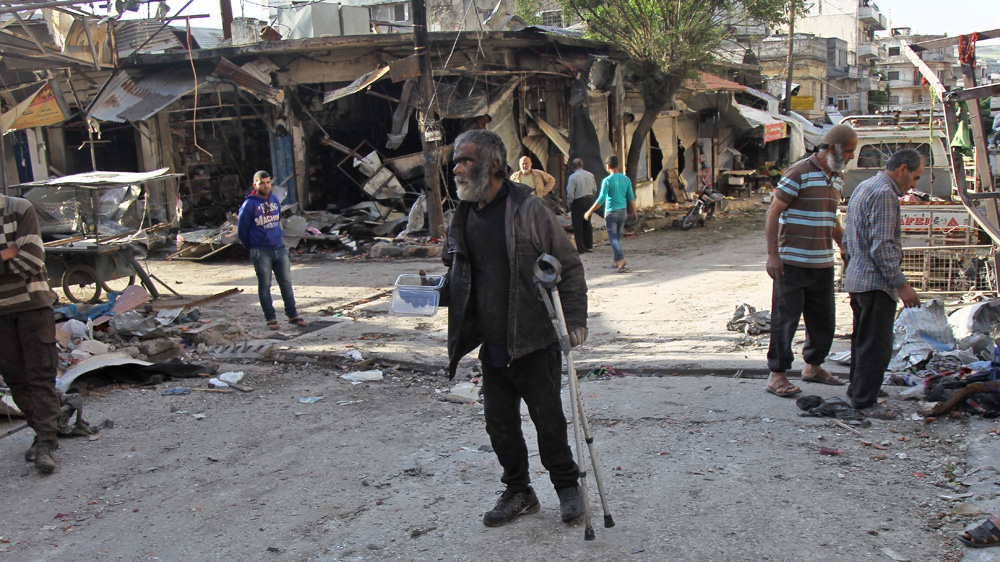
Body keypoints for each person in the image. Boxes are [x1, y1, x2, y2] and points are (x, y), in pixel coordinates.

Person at [442, 129, 588, 528]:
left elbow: (568, 265)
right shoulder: (463, 214)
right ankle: (520, 492)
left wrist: (575, 320)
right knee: (500, 426)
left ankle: (567, 487)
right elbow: (456, 269)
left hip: (533, 338)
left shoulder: (528, 209)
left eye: (466, 160)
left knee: (548, 421)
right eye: (456, 161)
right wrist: (434, 291)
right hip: (492, 342)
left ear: (492, 165)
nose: (457, 168)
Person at [764, 124, 858, 397]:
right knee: (786, 320)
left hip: (822, 263)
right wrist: (773, 255)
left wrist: (844, 245)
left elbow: (830, 217)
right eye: (849, 151)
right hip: (793, 262)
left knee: (823, 321)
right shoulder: (799, 172)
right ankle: (777, 375)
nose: (851, 156)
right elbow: (773, 213)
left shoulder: (836, 178)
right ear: (833, 148)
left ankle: (813, 367)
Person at [843, 149, 923, 419]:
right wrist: (902, 284)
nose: (913, 185)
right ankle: (864, 400)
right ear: (902, 169)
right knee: (876, 345)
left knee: (863, 340)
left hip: (859, 278)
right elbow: (882, 247)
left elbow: (849, 238)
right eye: (915, 177)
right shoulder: (885, 193)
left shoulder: (866, 185)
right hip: (876, 283)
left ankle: (859, 390)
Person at [0, 192, 62, 473]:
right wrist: (7, 254)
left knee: (40, 375)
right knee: (15, 378)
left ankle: (47, 442)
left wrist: (15, 256)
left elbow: (31, 261)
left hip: (32, 306)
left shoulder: (18, 209)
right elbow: (18, 259)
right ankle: (40, 432)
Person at [237, 171, 307, 330]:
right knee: (265, 286)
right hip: (261, 251)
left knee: (286, 283)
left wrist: (279, 238)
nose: (266, 186)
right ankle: (271, 319)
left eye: (268, 182)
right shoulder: (249, 205)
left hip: (279, 248)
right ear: (255, 185)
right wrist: (253, 247)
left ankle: (293, 315)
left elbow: (278, 220)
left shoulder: (274, 199)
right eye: (262, 183)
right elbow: (242, 231)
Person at [584, 155, 637, 272]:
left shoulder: (607, 181)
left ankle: (621, 259)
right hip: (622, 211)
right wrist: (635, 211)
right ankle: (616, 261)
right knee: (618, 237)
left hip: (611, 212)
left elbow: (601, 199)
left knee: (613, 238)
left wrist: (589, 211)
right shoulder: (626, 179)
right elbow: (631, 197)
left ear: (607, 166)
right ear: (618, 165)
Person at [565, 158, 597, 254]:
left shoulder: (573, 177)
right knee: (587, 223)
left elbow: (570, 193)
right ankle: (589, 246)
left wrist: (569, 204)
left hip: (578, 201)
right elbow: (595, 189)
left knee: (578, 225)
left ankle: (581, 248)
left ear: (573, 167)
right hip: (589, 200)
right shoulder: (590, 175)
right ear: (582, 166)